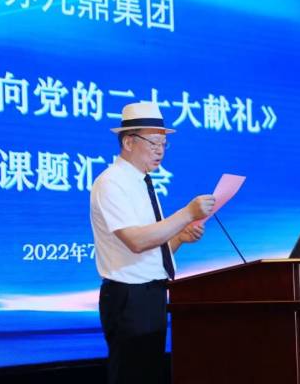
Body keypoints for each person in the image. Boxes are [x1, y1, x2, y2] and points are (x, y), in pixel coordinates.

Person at [90, 102, 215, 384]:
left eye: (163, 144)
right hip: (128, 298)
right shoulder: (111, 183)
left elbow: (151, 251)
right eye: (153, 143)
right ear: (128, 142)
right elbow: (136, 241)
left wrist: (179, 237)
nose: (160, 150)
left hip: (152, 294)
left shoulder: (141, 182)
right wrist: (187, 214)